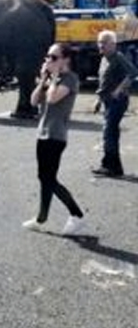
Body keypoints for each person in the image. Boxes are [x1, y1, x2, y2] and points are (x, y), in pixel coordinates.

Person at [23, 43, 85, 235]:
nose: (49, 60)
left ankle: (77, 215)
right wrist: (43, 80)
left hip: (56, 135)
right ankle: (41, 218)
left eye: (54, 57)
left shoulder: (70, 79)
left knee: (48, 178)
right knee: (45, 178)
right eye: (48, 57)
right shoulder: (51, 79)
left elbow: (53, 98)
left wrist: (55, 77)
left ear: (66, 60)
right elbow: (34, 100)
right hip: (43, 133)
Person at [93, 30, 137, 177]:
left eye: (104, 42)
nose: (101, 45)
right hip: (107, 100)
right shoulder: (104, 59)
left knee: (108, 132)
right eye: (99, 42)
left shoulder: (118, 57)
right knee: (111, 133)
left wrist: (119, 89)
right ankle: (114, 167)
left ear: (113, 44)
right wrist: (98, 100)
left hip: (118, 101)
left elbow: (133, 72)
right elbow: (103, 82)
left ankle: (109, 166)